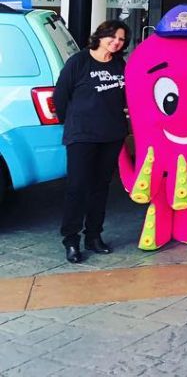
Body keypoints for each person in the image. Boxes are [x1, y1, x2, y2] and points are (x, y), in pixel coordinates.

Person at [54, 21, 130, 263]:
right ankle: (71, 239)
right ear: (100, 36)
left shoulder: (120, 64)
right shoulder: (79, 61)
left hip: (111, 135)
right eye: (113, 37)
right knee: (77, 187)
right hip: (82, 136)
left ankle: (94, 236)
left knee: (101, 187)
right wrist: (74, 123)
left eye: (121, 39)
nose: (116, 42)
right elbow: (60, 97)